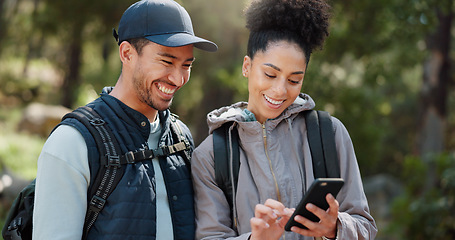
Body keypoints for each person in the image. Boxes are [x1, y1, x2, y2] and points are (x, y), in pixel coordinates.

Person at [191, 0, 377, 239]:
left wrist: (334, 228)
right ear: (247, 66)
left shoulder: (330, 133)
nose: (280, 90)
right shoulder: (211, 156)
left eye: (294, 80)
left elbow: (366, 227)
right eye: (270, 74)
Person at [32, 0, 217, 239]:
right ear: (127, 53)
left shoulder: (181, 137)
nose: (178, 78)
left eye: (186, 65)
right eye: (167, 61)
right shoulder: (72, 142)